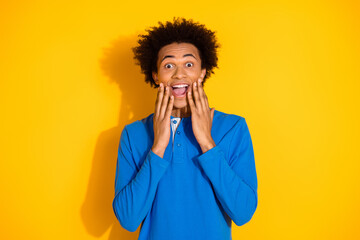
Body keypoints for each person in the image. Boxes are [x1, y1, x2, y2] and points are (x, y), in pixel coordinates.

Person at [112, 17, 258, 240]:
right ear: (156, 75)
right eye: (168, 65)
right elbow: (128, 219)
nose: (179, 74)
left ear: (202, 72)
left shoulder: (233, 128)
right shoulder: (133, 135)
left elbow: (243, 212)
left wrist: (207, 143)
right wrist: (158, 146)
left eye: (189, 64)